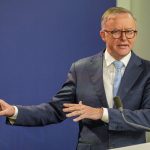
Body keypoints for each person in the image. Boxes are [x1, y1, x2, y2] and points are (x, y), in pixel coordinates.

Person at [0, 6, 150, 150]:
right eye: (116, 32)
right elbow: (56, 110)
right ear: (103, 35)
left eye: (129, 31)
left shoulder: (147, 71)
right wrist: (14, 111)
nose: (124, 38)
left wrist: (102, 113)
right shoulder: (81, 68)